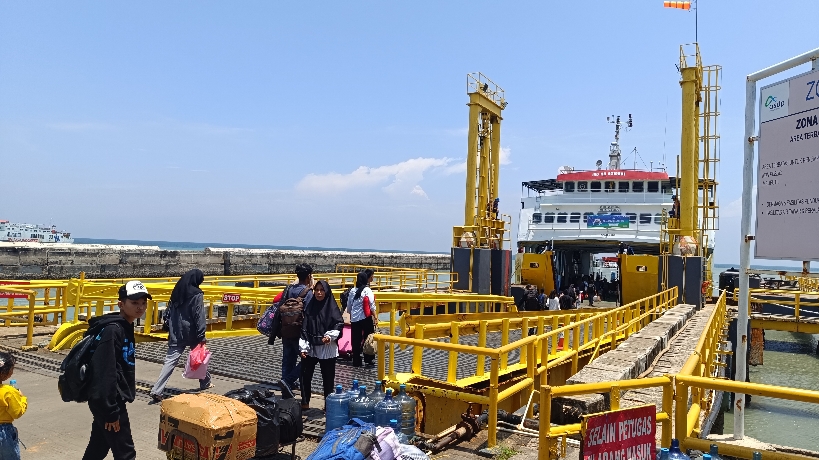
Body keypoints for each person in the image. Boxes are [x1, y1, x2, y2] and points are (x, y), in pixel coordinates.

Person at [82, 280, 150, 460]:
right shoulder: (113, 330)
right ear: (121, 304)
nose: (140, 307)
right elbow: (104, 372)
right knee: (126, 453)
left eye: (143, 303)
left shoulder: (126, 326)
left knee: (98, 447)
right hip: (110, 400)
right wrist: (110, 411)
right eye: (134, 303)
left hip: (108, 399)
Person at [149, 269, 211, 402]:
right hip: (192, 332)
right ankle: (205, 382)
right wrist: (202, 335)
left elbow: (168, 312)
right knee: (198, 357)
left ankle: (157, 389)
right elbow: (199, 316)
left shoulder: (177, 292)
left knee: (170, 361)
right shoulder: (196, 294)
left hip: (176, 331)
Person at [299, 280, 344, 411]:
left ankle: (327, 404)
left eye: (322, 290)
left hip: (327, 348)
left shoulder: (332, 308)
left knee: (328, 378)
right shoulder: (310, 307)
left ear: (327, 292)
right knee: (305, 375)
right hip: (311, 347)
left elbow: (338, 324)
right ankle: (305, 401)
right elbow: (304, 328)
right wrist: (303, 347)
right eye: (316, 290)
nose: (319, 293)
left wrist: (330, 336)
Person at [269, 263, 314, 389]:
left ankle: (286, 383)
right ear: (309, 276)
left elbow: (279, 306)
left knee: (288, 358)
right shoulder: (308, 292)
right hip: (300, 331)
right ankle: (288, 381)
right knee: (307, 359)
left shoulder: (288, 289)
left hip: (286, 329)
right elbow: (309, 314)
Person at [347, 270, 377, 368]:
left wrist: (351, 315)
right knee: (368, 338)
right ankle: (368, 358)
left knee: (356, 340)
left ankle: (356, 360)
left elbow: (349, 305)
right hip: (365, 318)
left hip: (355, 319)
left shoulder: (352, 290)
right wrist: (375, 317)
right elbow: (372, 306)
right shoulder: (367, 290)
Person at [0, 352, 26, 460]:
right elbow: (17, 412)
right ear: (5, 374)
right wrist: (22, 398)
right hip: (3, 432)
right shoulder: (9, 392)